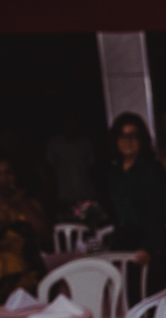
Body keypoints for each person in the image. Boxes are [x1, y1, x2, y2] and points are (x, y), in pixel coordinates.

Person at [96, 113, 166, 294]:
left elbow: (157, 211)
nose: (128, 140)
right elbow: (117, 215)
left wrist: (148, 247)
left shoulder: (152, 169)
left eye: (133, 135)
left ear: (142, 139)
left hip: (155, 242)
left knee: (147, 297)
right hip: (126, 241)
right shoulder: (113, 172)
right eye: (123, 136)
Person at [0, 156, 48, 300]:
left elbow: (46, 239)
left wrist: (23, 205)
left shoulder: (29, 204)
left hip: (31, 276)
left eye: (8, 172)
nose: (4, 178)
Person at [44, 111, 95, 213]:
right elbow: (50, 169)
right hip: (64, 196)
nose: (73, 123)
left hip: (84, 193)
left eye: (76, 120)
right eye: (70, 120)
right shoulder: (55, 143)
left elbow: (91, 167)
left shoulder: (85, 142)